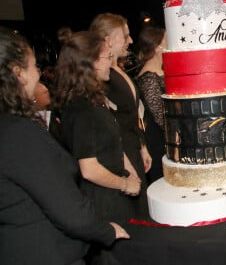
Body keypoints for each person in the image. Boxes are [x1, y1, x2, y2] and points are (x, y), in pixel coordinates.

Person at [0, 26, 130, 265]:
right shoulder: (17, 133)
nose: (38, 73)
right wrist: (105, 230)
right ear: (18, 73)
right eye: (34, 66)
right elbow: (67, 209)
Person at [90, 13, 152, 218]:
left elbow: (132, 115)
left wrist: (142, 146)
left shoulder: (116, 71)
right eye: (125, 36)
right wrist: (126, 161)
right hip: (120, 153)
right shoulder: (102, 77)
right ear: (107, 40)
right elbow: (110, 123)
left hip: (133, 147)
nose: (131, 40)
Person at [135, 25, 167, 183]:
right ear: (157, 47)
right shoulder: (148, 78)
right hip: (159, 141)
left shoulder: (161, 71)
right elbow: (160, 118)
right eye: (166, 42)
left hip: (169, 138)